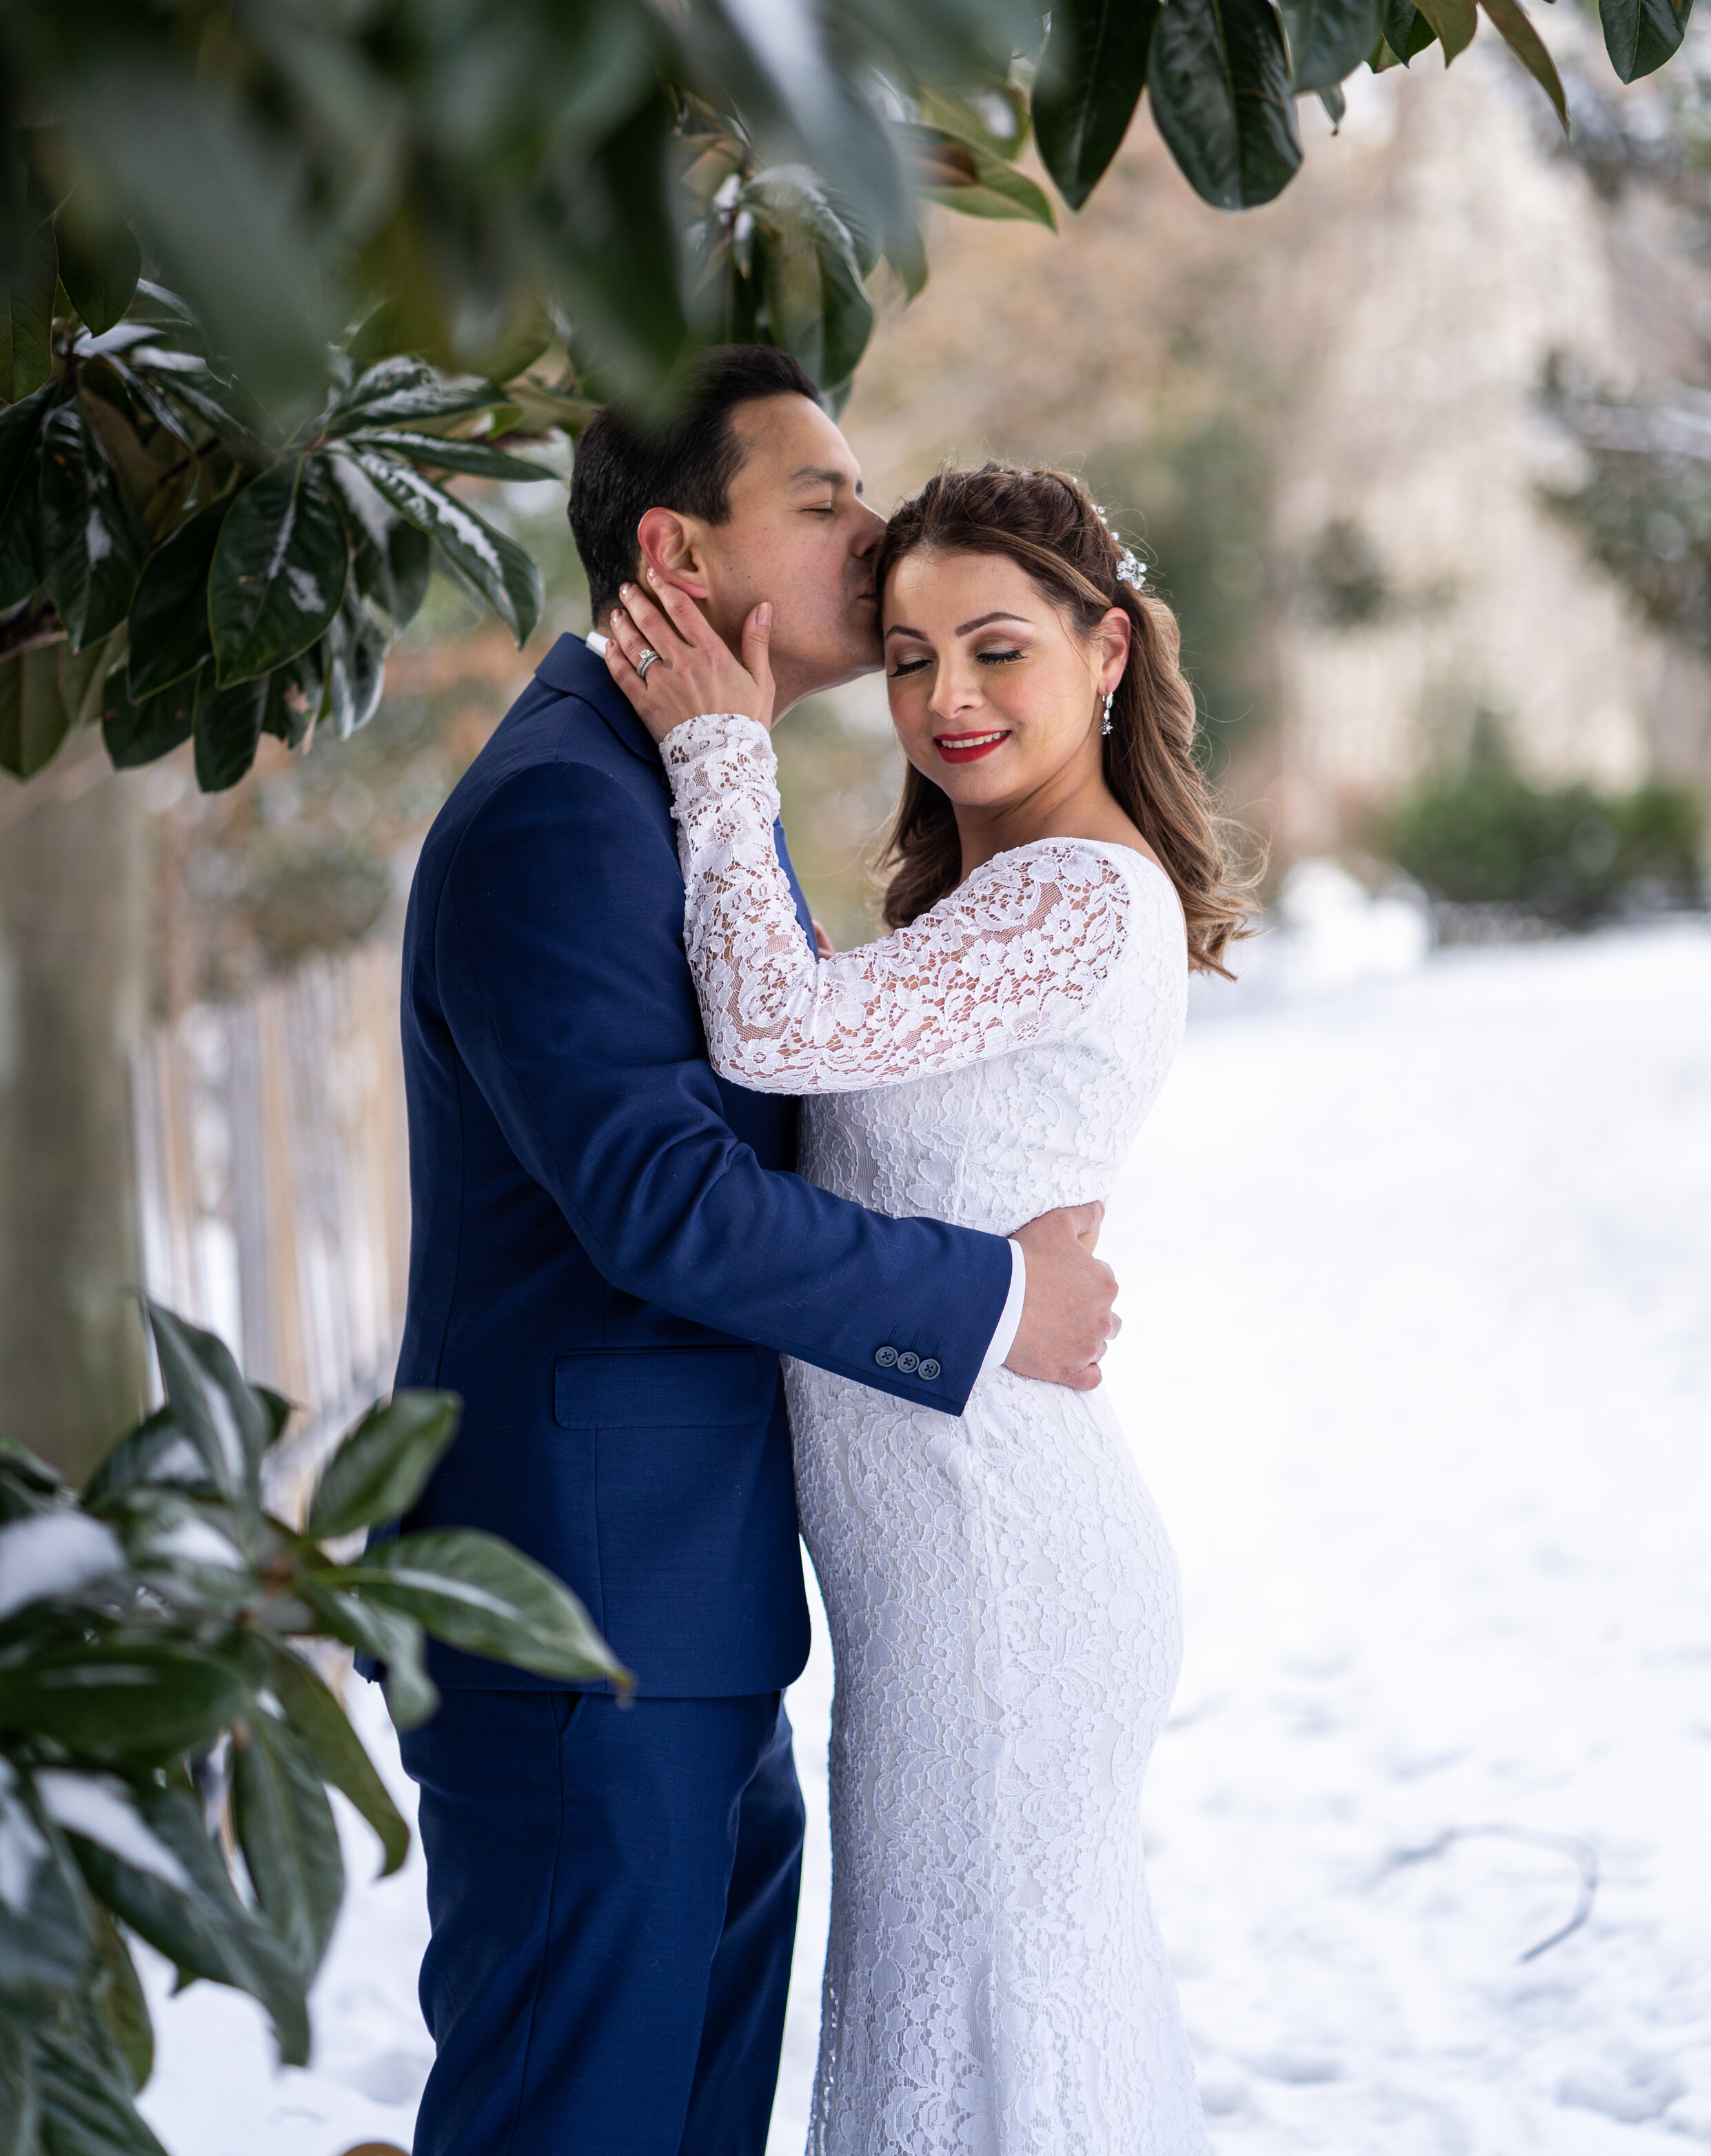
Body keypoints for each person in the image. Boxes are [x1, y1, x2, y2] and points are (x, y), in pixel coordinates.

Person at [390, 348, 1123, 2156]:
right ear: (675, 545)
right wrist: (993, 1295)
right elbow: (662, 1199)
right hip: (581, 1615)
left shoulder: (667, 783)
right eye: (822, 500)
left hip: (688, 1600)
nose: (874, 538)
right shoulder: (569, 805)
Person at [605, 457, 1251, 2155]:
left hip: (996, 1572)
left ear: (1103, 652)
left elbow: (768, 1028)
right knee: (970, 2039)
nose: (943, 698)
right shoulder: (1003, 890)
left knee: (994, 2054)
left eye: (995, 649)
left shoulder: (1072, 893)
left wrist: (715, 745)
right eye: (904, 657)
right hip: (948, 1567)